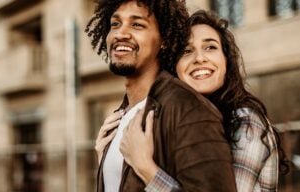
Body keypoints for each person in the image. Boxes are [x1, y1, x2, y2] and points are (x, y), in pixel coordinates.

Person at [111, 10, 288, 191]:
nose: (199, 58)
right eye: (186, 51)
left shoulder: (246, 121)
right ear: (174, 67)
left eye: (210, 47)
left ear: (226, 61)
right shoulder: (181, 122)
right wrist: (109, 154)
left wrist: (146, 168)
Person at [86, 1, 237, 191]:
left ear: (164, 39)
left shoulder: (190, 111)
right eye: (115, 24)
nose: (120, 34)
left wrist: (146, 169)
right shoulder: (120, 117)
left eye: (137, 24)